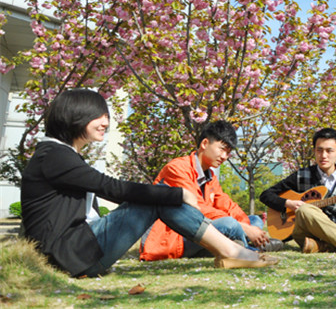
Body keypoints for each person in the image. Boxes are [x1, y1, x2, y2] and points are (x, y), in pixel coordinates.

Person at [21, 89, 277, 277]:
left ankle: (233, 250)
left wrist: (246, 223)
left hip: (77, 250)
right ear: (75, 115)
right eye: (99, 116)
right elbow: (110, 187)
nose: (106, 123)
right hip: (70, 256)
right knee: (160, 195)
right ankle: (232, 251)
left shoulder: (59, 154)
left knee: (165, 196)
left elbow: (225, 203)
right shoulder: (54, 155)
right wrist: (178, 195)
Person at [140, 121, 283, 261]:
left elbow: (226, 204)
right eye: (222, 149)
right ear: (204, 144)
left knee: (254, 219)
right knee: (230, 224)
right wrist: (243, 227)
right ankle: (249, 250)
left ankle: (240, 243)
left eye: (228, 153)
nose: (224, 157)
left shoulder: (210, 176)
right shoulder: (177, 168)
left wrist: (247, 225)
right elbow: (196, 210)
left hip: (199, 229)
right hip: (173, 237)